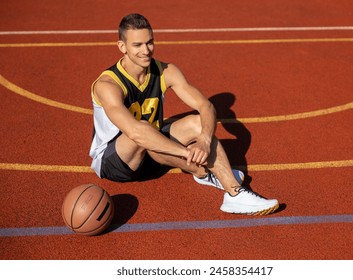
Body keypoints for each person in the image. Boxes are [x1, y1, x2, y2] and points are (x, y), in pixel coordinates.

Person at [89, 13, 279, 215]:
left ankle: (234, 194)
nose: (146, 51)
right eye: (137, 45)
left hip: (154, 151)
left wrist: (204, 141)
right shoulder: (108, 84)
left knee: (197, 124)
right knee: (144, 130)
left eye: (150, 43)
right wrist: (188, 153)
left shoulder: (165, 71)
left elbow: (206, 107)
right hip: (116, 161)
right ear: (122, 46)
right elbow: (135, 133)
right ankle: (202, 170)